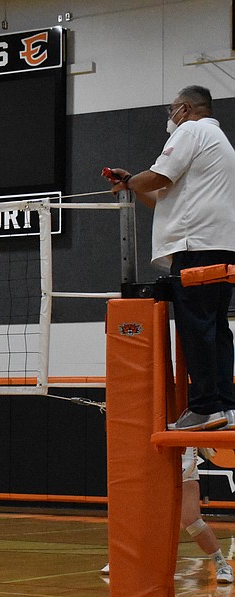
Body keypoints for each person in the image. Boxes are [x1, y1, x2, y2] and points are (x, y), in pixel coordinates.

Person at [106, 85, 235, 431]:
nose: (170, 116)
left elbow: (160, 175)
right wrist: (132, 184)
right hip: (219, 247)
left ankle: (206, 408)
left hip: (196, 247)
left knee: (198, 328)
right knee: (215, 326)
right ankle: (225, 407)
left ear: (188, 108)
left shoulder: (192, 130)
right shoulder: (219, 142)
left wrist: (132, 179)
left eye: (173, 109)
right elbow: (161, 195)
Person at [101, 447, 234, 584]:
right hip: (155, 466)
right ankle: (121, 561)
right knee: (137, 515)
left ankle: (222, 565)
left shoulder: (182, 429)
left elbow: (189, 463)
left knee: (192, 521)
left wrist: (164, 484)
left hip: (182, 468)